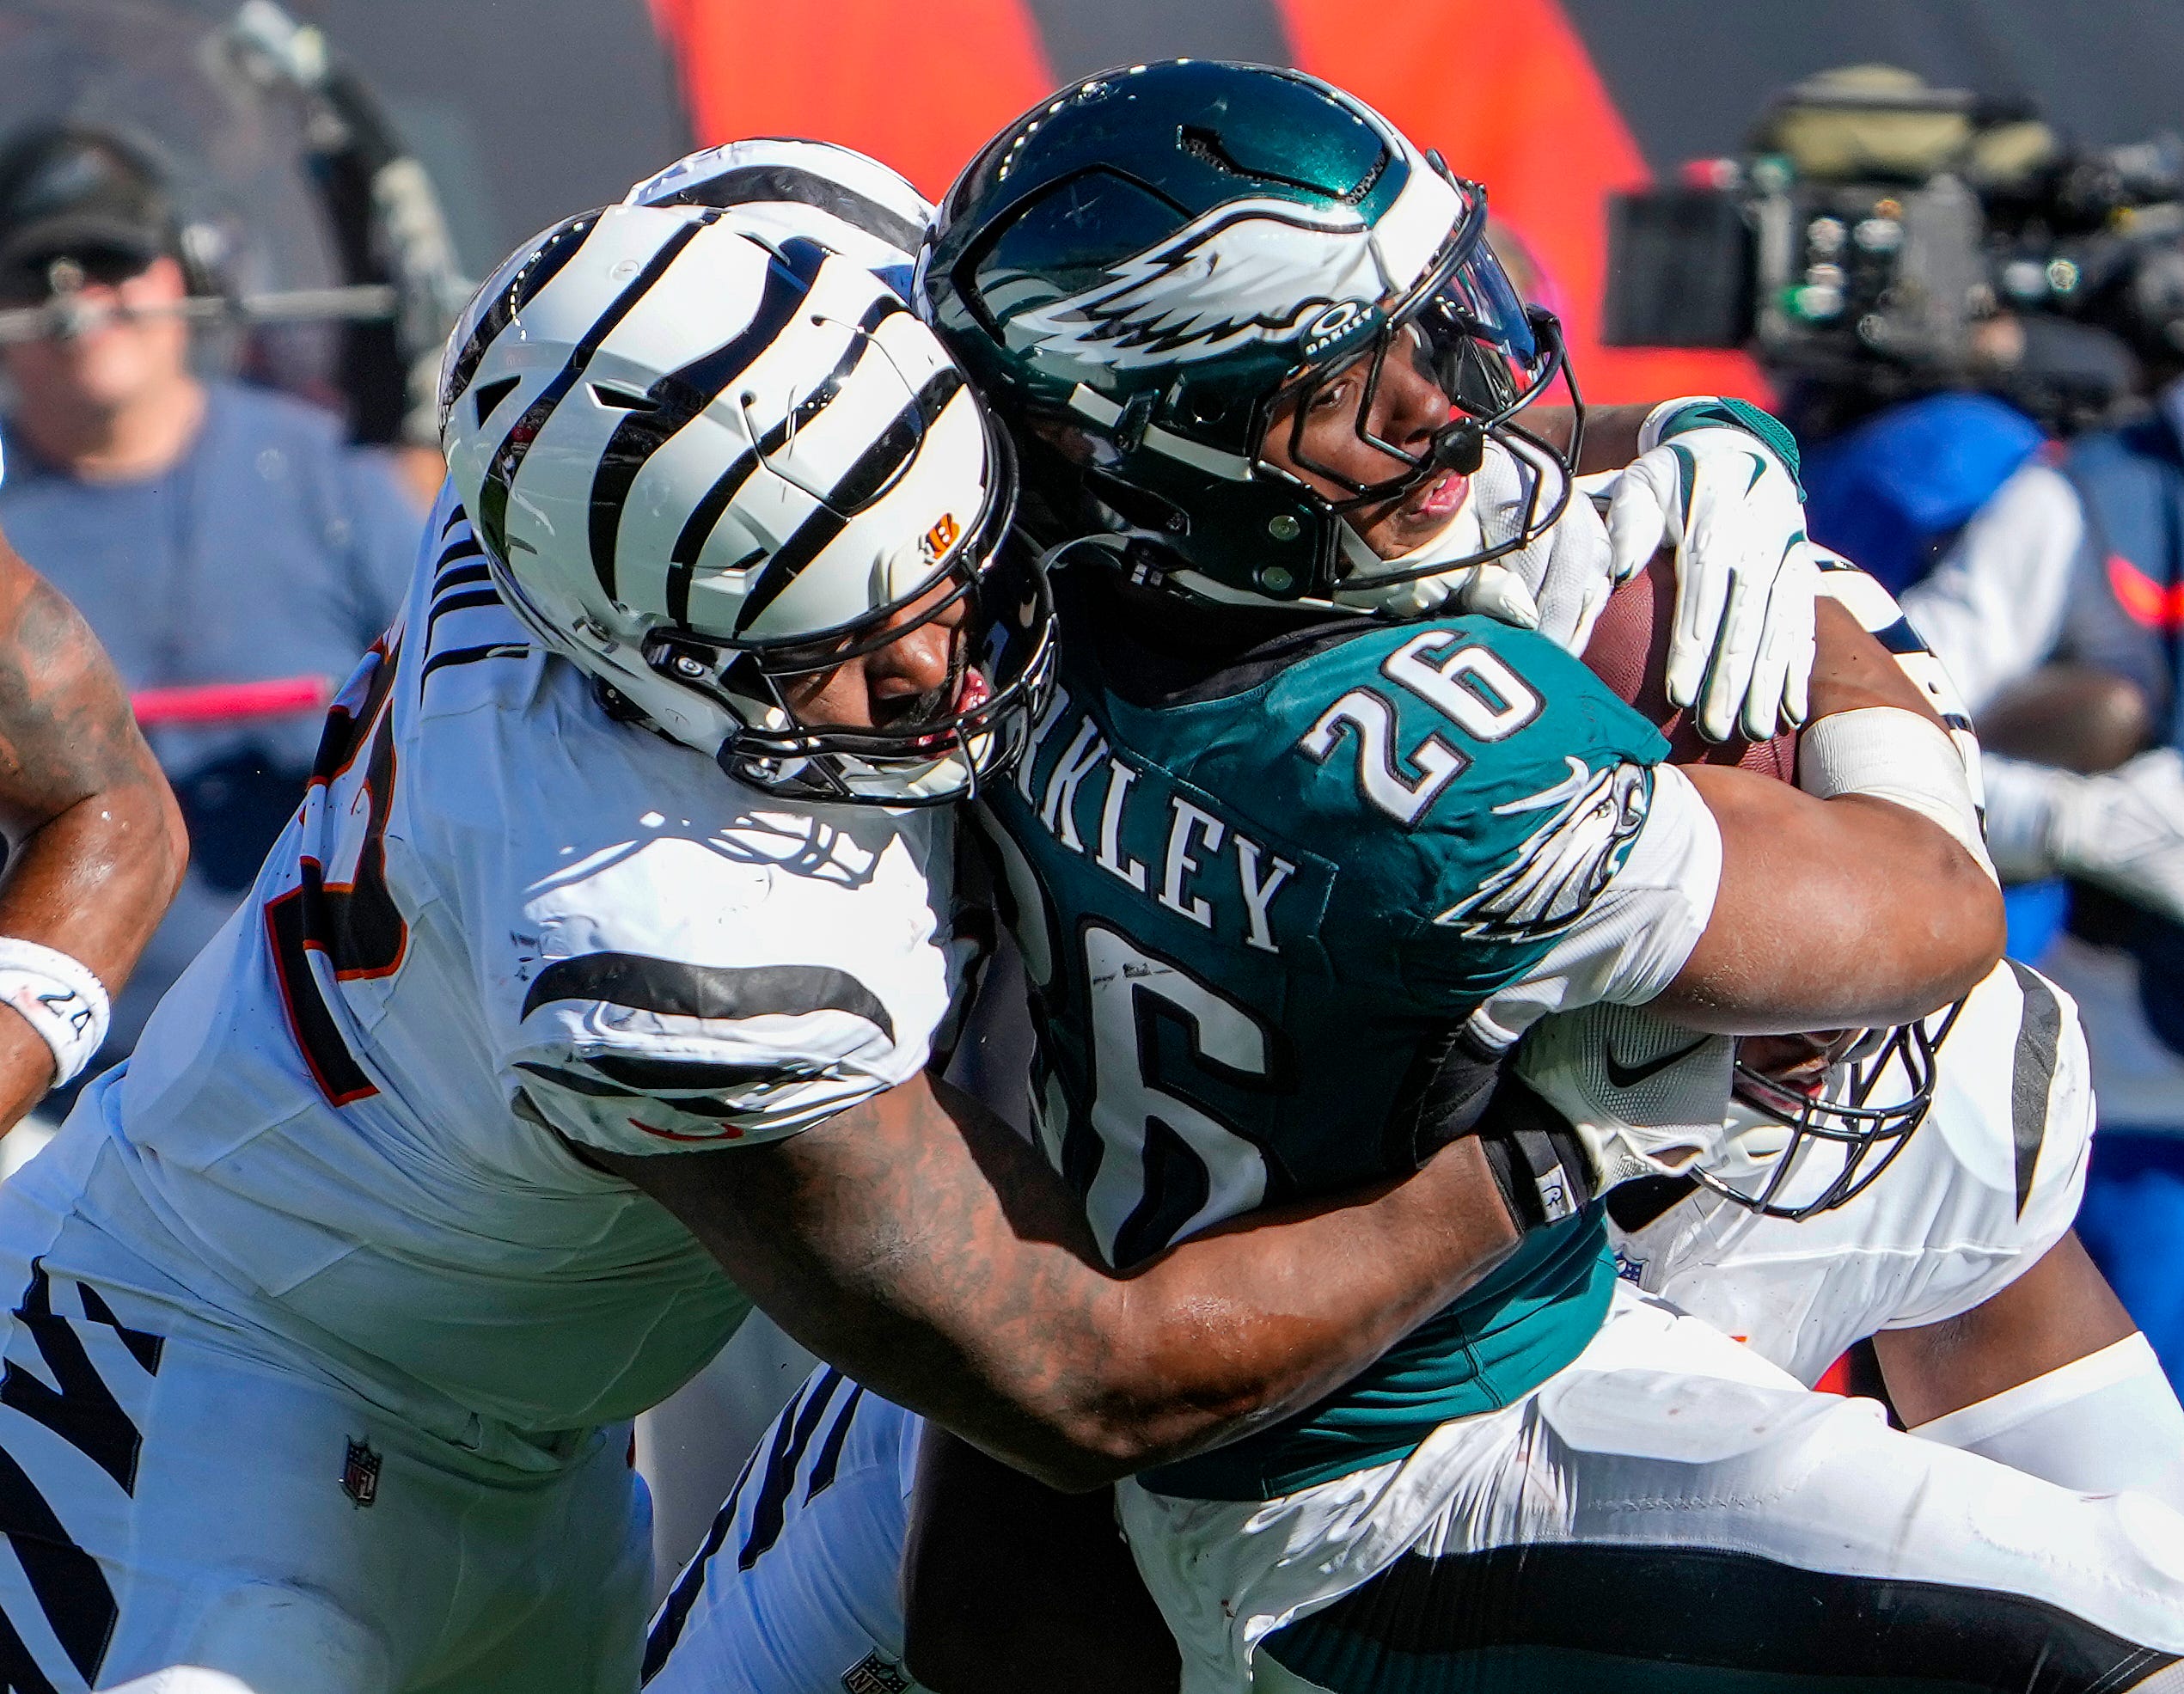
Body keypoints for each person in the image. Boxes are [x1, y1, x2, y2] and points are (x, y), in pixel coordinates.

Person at [0, 161, 1827, 1693]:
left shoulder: (769, 328)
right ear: (648, 667)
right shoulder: (653, 909)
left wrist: (1666, 445)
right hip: (204, 1416)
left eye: (944, 577)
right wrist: (1560, 1144)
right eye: (824, 654)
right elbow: (1076, 1376)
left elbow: (1235, 422)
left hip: (536, 1430)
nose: (929, 670)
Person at [906, 62, 2175, 1691]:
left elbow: (1476, 466)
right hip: (1415, 1470)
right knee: (2143, 1628)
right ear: (1165, 455)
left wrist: (1697, 439)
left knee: (1971, 1115)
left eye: (1430, 320)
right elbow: (1927, 912)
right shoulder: (1398, 765)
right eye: (1344, 379)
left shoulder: (1048, 590)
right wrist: (1833, 614)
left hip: (1415, 1296)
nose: (1441, 399)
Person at [0, 122, 423, 1080]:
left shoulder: (329, 477)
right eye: (36, 273)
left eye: (110, 260)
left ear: (187, 274)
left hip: (336, 1062)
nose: (76, 303)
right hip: (53, 1083)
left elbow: (467, 715)